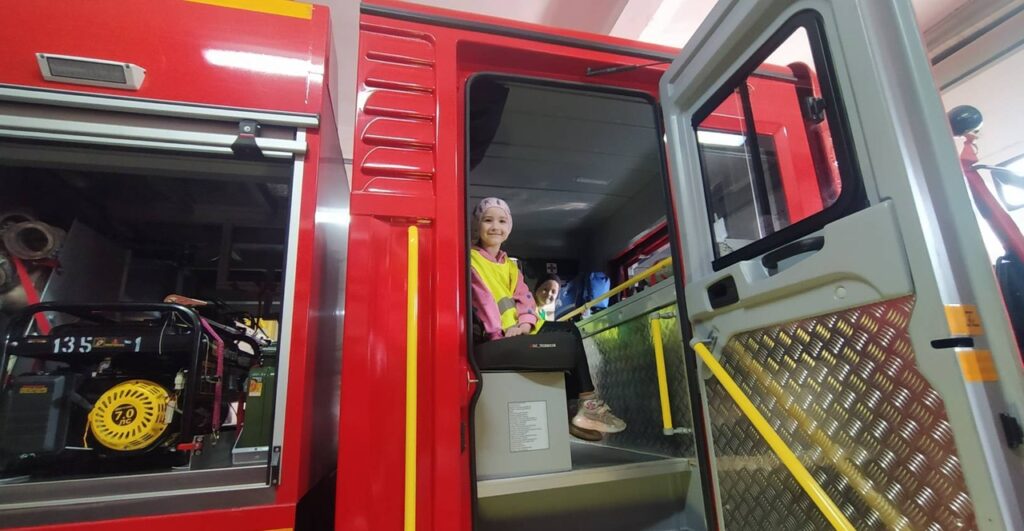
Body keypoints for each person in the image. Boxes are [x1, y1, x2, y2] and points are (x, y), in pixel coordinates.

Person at [469, 197, 626, 440]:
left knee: (569, 335)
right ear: (477, 225)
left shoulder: (509, 265)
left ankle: (579, 409)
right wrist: (502, 332)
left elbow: (524, 299)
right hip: (498, 336)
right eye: (488, 220)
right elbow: (484, 303)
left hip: (519, 330)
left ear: (509, 228)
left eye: (502, 221)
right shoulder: (472, 259)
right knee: (568, 337)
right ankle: (584, 406)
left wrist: (524, 324)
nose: (495, 227)